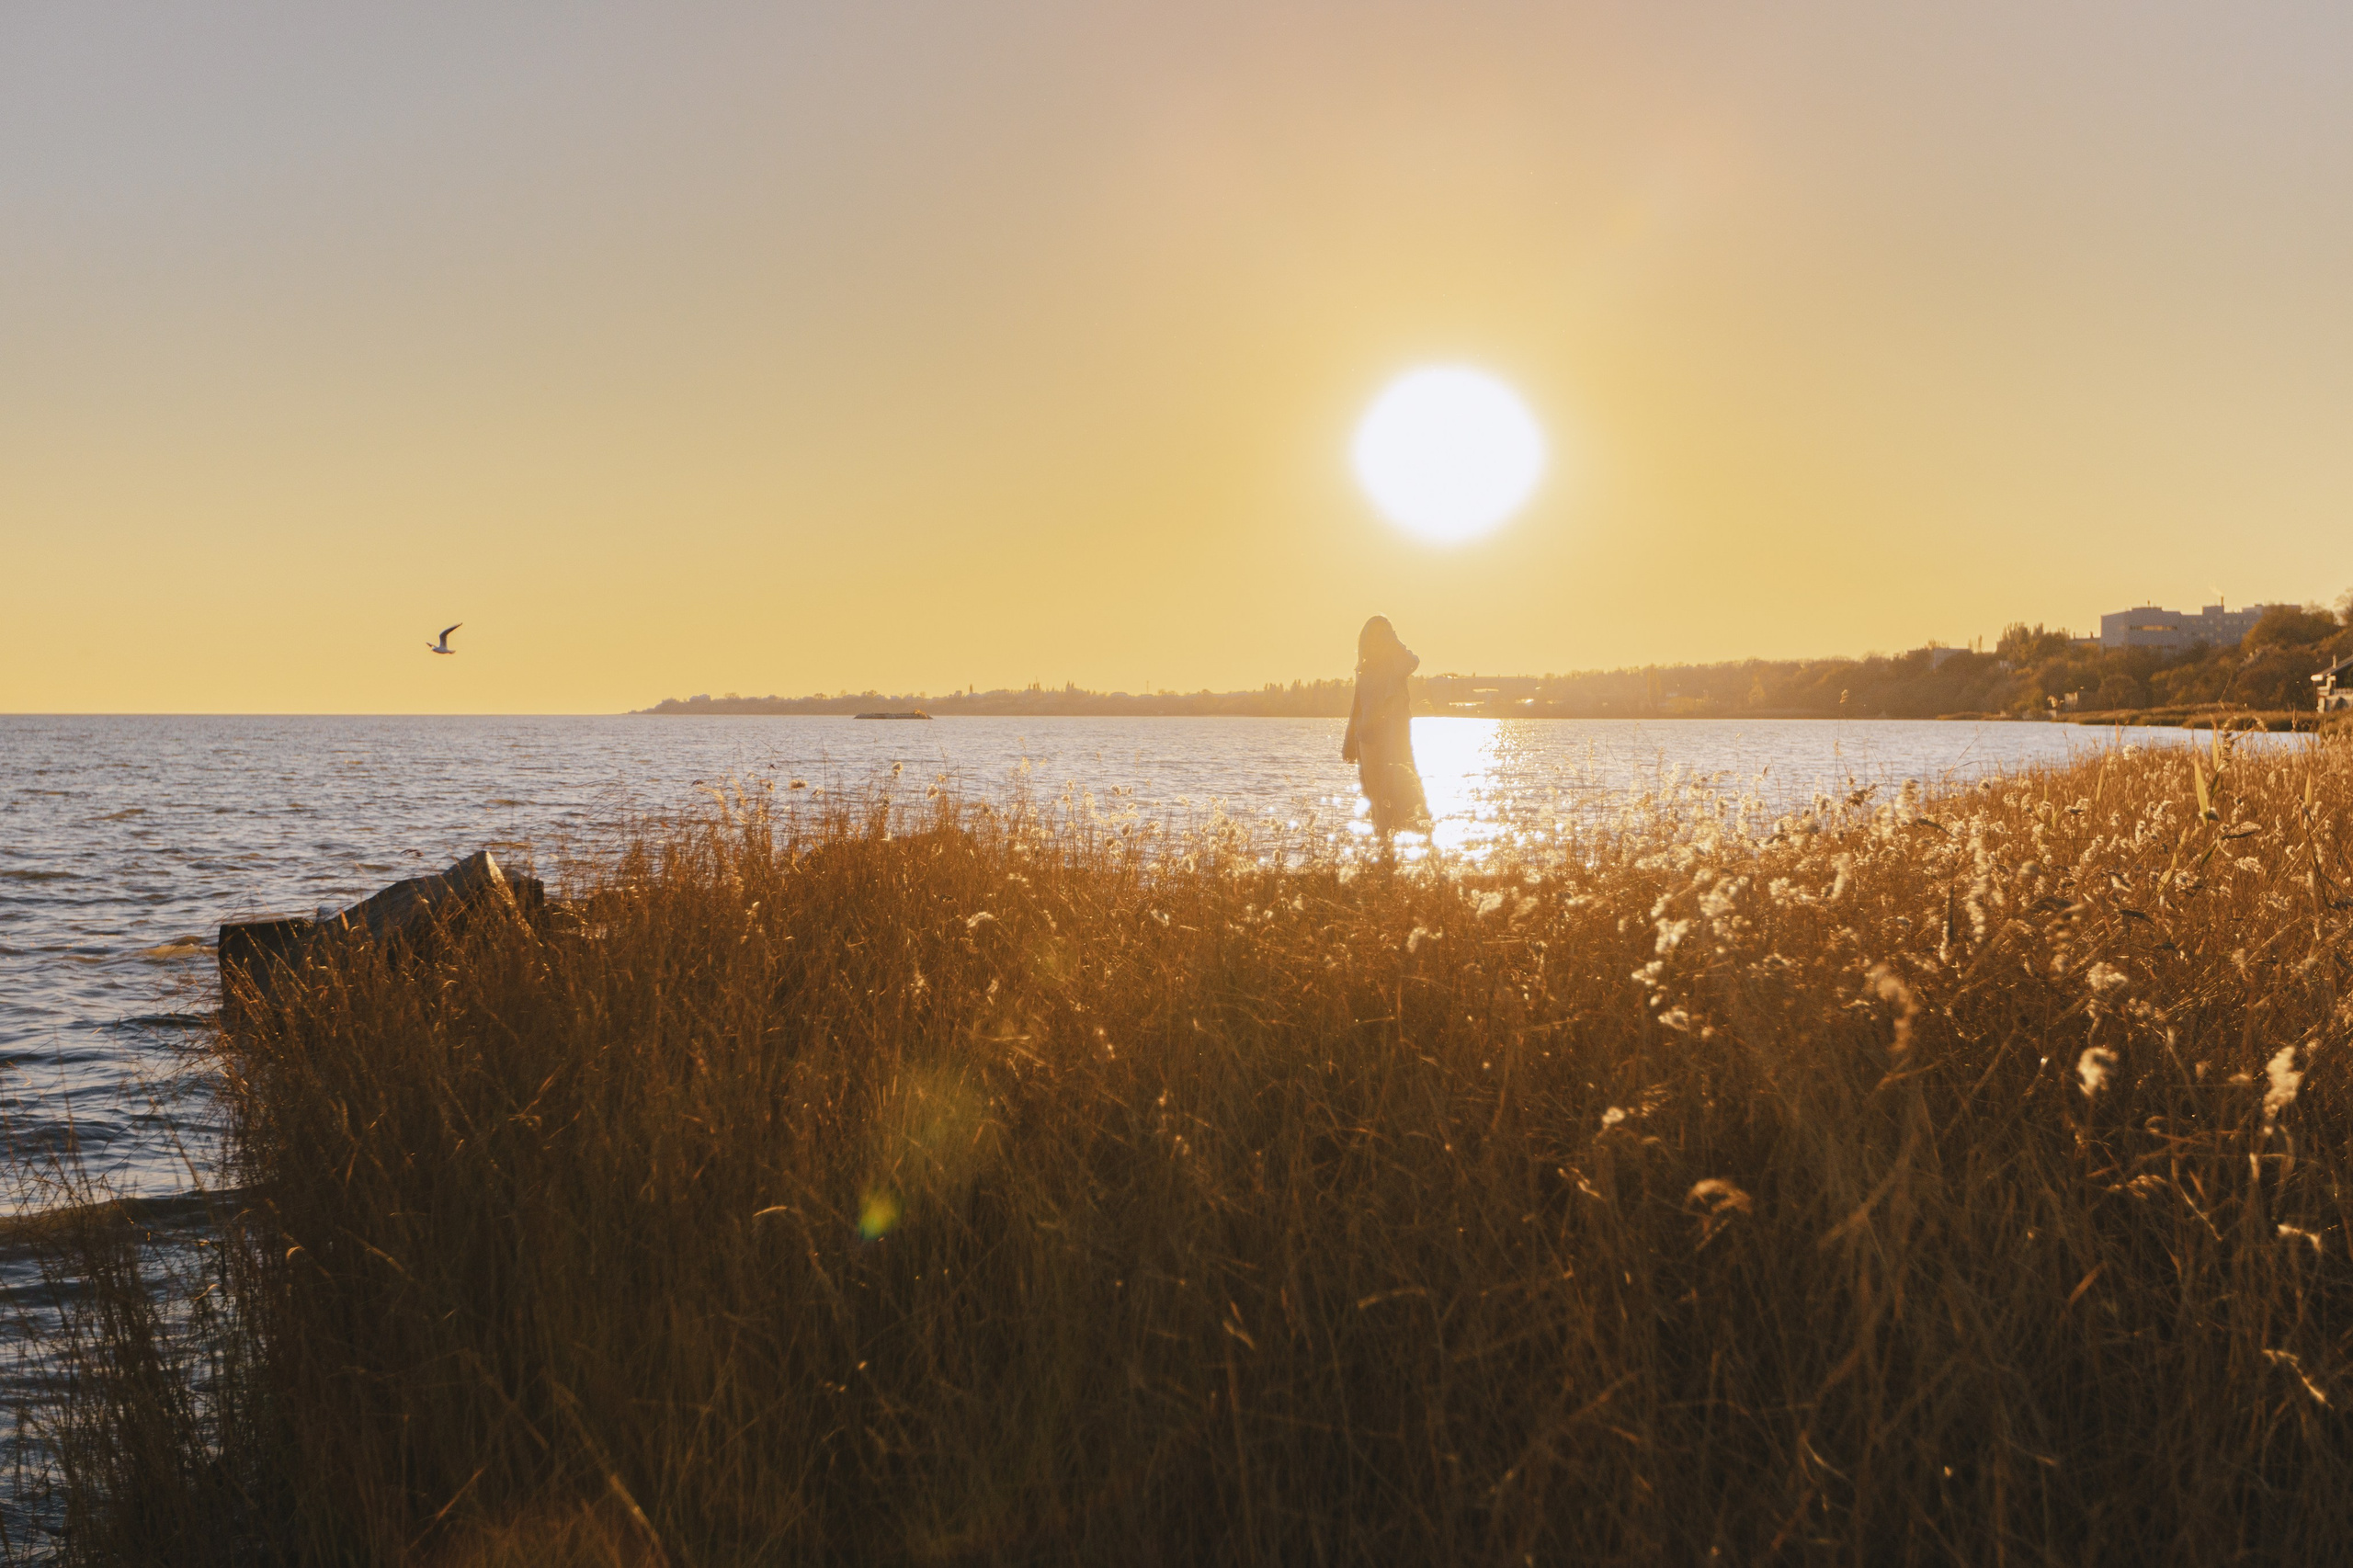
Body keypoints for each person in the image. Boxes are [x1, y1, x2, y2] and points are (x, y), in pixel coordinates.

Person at [1341, 615, 1430, 840]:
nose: (1382, 638)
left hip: (1395, 738)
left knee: (1405, 792)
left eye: (1386, 633)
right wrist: (1349, 742)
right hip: (1368, 739)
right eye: (1377, 634)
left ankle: (1416, 847)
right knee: (1377, 798)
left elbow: (1412, 661)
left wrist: (1394, 640)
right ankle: (1384, 854)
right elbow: (1357, 707)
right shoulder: (1364, 669)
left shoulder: (1396, 665)